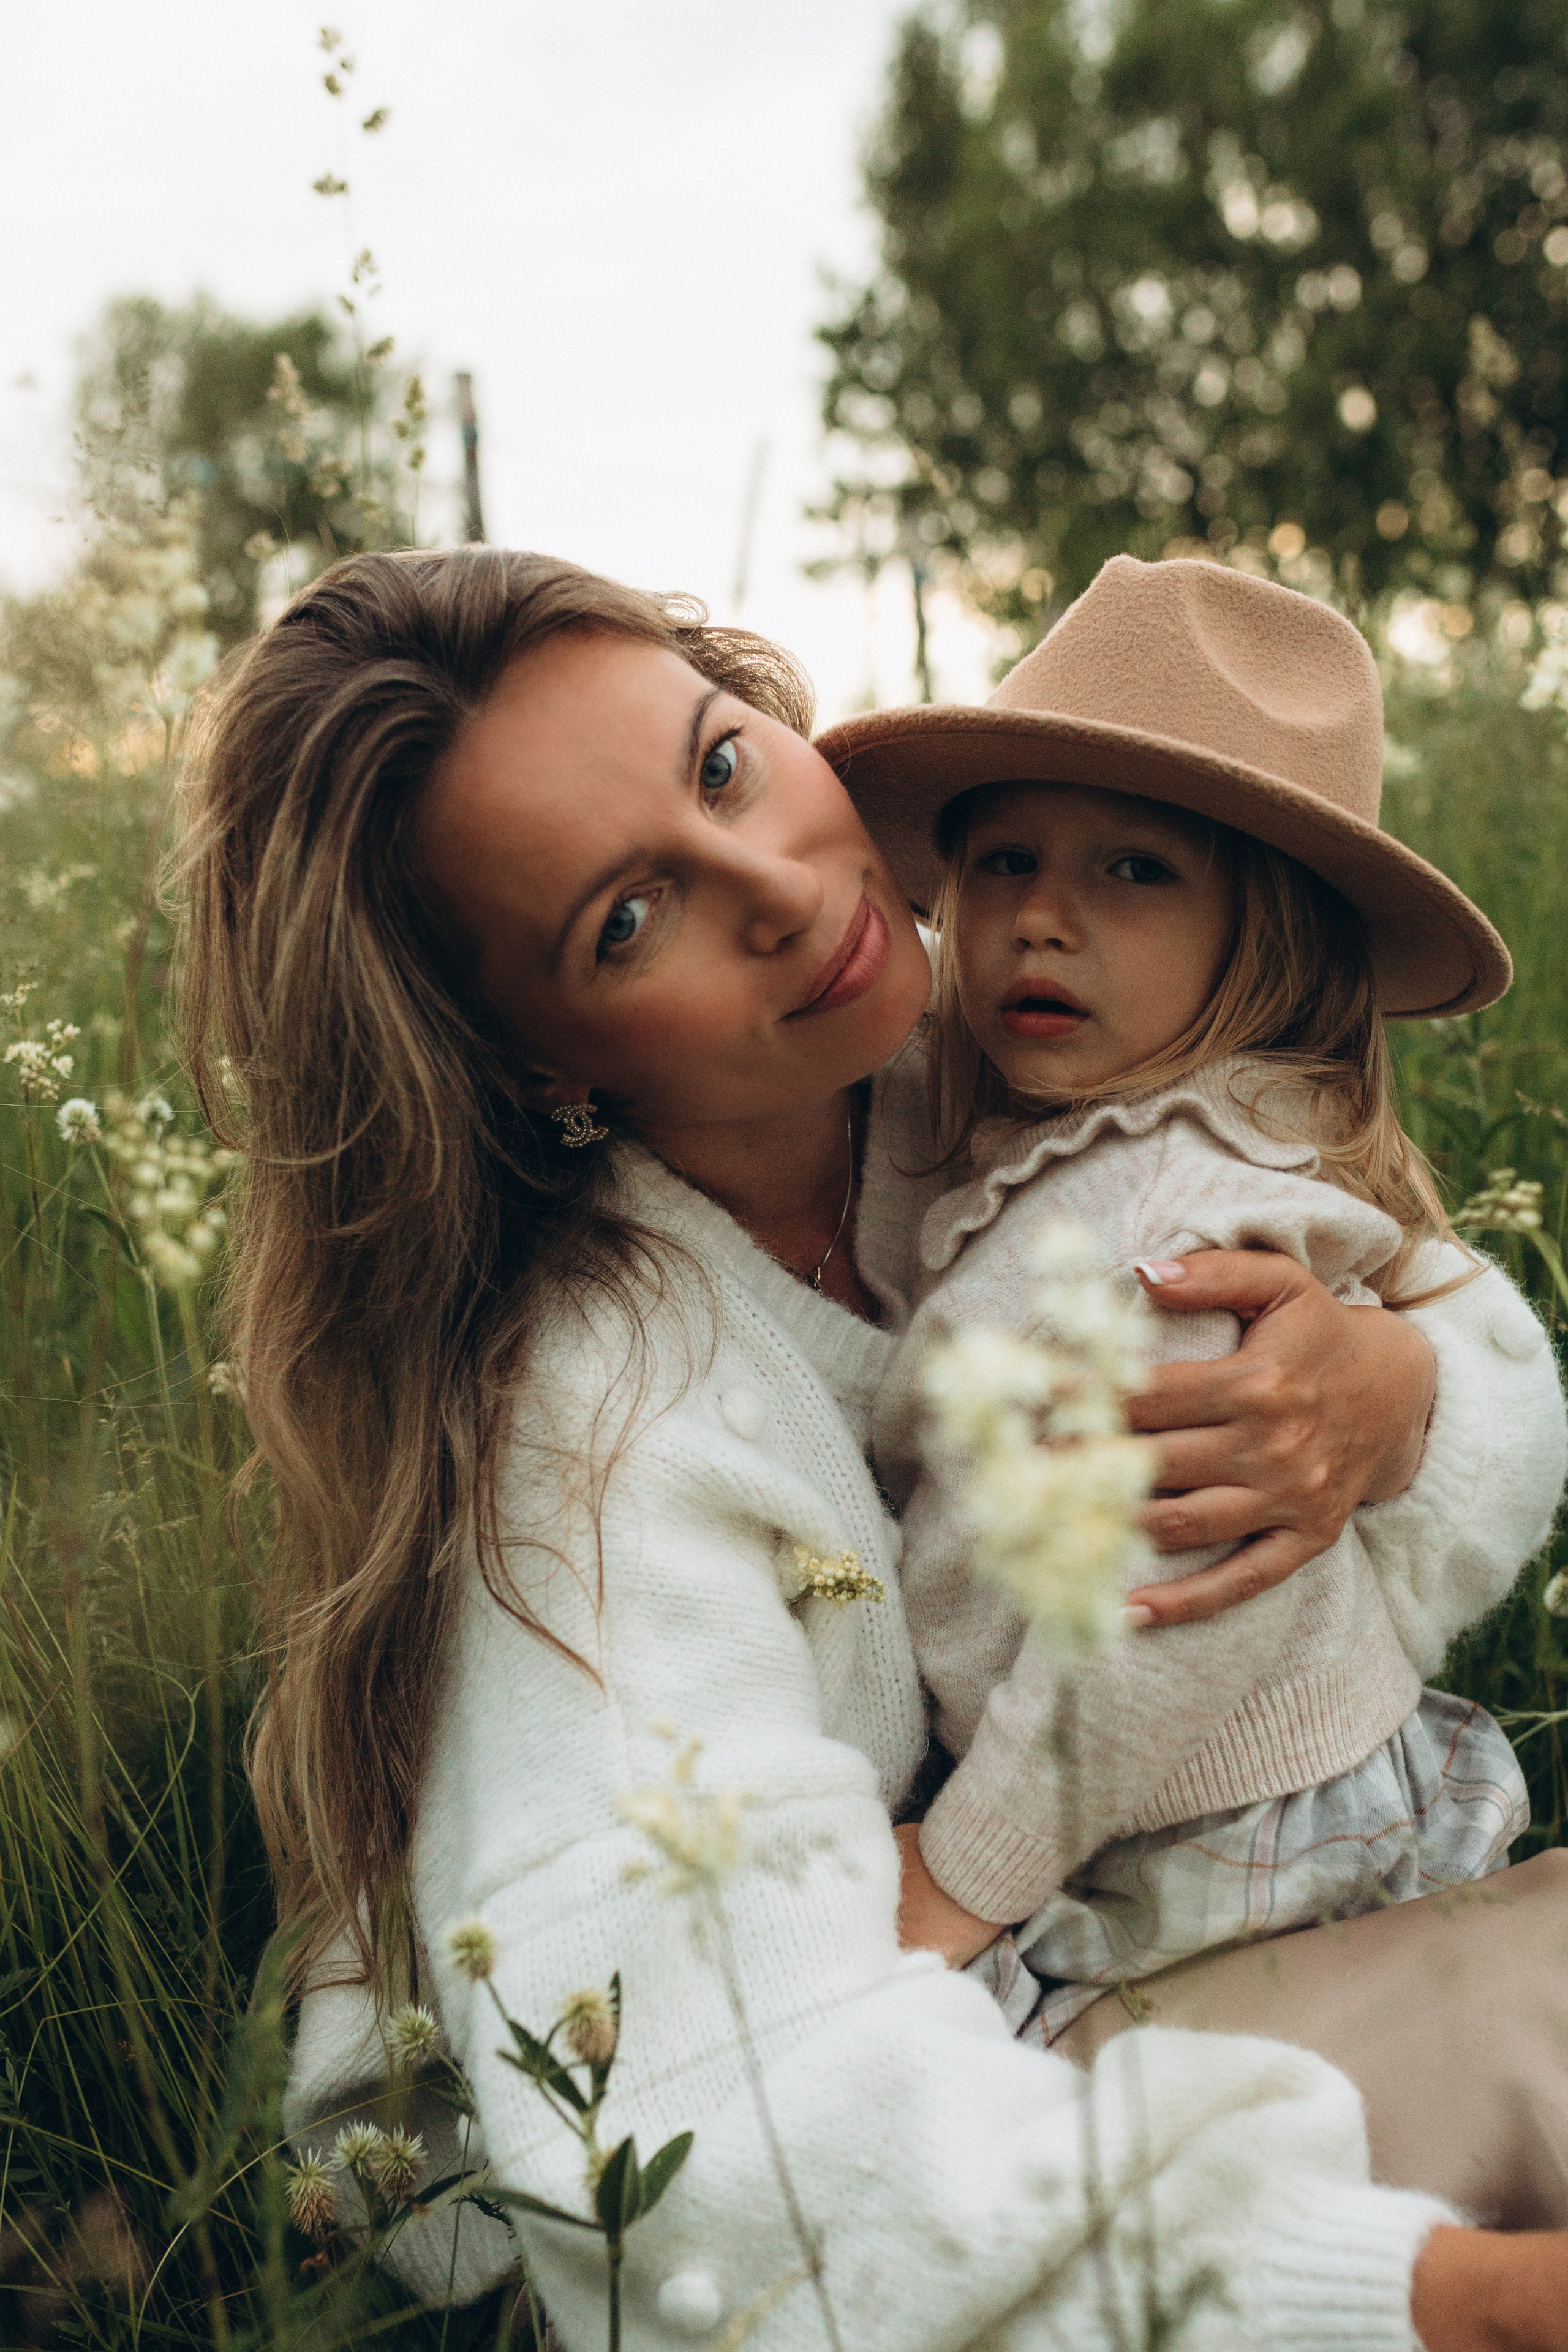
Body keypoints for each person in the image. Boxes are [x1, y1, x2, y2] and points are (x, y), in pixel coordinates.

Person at [181, 547, 1568, 2350]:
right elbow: (730, 2145)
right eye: (627, 917)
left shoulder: (1000, 1051)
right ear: (530, 1064)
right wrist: (1453, 2302)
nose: (777, 891)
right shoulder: (597, 1437)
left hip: (1111, 1947)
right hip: (835, 2172)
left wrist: (1400, 1396)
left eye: (722, 764)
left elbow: (1429, 1291)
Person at [861, 557, 1538, 2038]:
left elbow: (1172, 1604)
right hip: (1113, 1791)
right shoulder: (1048, 1140)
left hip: (1214, 1823)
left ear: (1267, 934)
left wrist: (976, 1868)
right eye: (1002, 863)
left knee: (1176, 2139)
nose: (1039, 919)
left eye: (1131, 870)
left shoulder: (1180, 1221)